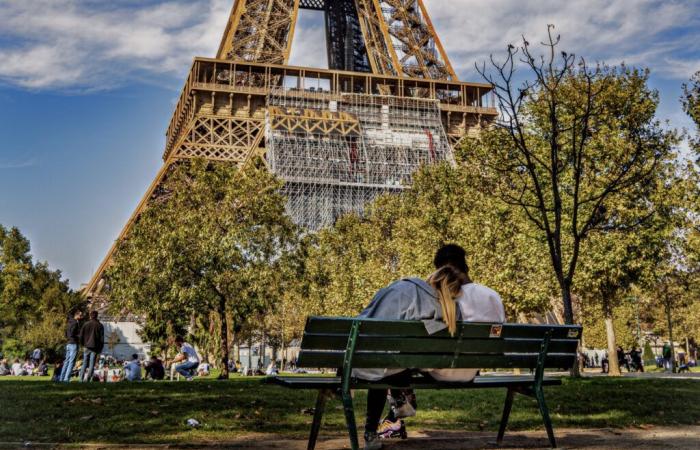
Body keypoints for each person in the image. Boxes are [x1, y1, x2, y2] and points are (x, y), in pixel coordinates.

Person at [358, 244, 505, 449]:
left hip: (444, 367)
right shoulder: (492, 295)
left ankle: (397, 404)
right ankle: (401, 400)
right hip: (472, 370)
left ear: (442, 270)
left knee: (396, 360)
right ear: (465, 266)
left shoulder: (446, 295)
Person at [79, 310, 105, 382]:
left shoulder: (86, 324)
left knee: (84, 363)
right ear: (97, 316)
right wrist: (100, 348)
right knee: (91, 364)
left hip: (86, 346)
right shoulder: (99, 325)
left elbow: (81, 335)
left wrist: (82, 344)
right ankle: (88, 379)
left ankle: (81, 379)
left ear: (90, 316)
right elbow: (101, 338)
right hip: (95, 347)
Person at [59, 309, 84, 382]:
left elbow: (66, 333)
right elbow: (72, 333)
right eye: (80, 315)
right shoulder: (75, 323)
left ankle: (62, 378)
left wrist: (69, 338)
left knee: (66, 361)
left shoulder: (69, 322)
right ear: (76, 315)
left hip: (68, 343)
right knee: (71, 362)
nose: (81, 316)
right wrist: (79, 336)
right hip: (73, 343)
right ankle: (66, 378)